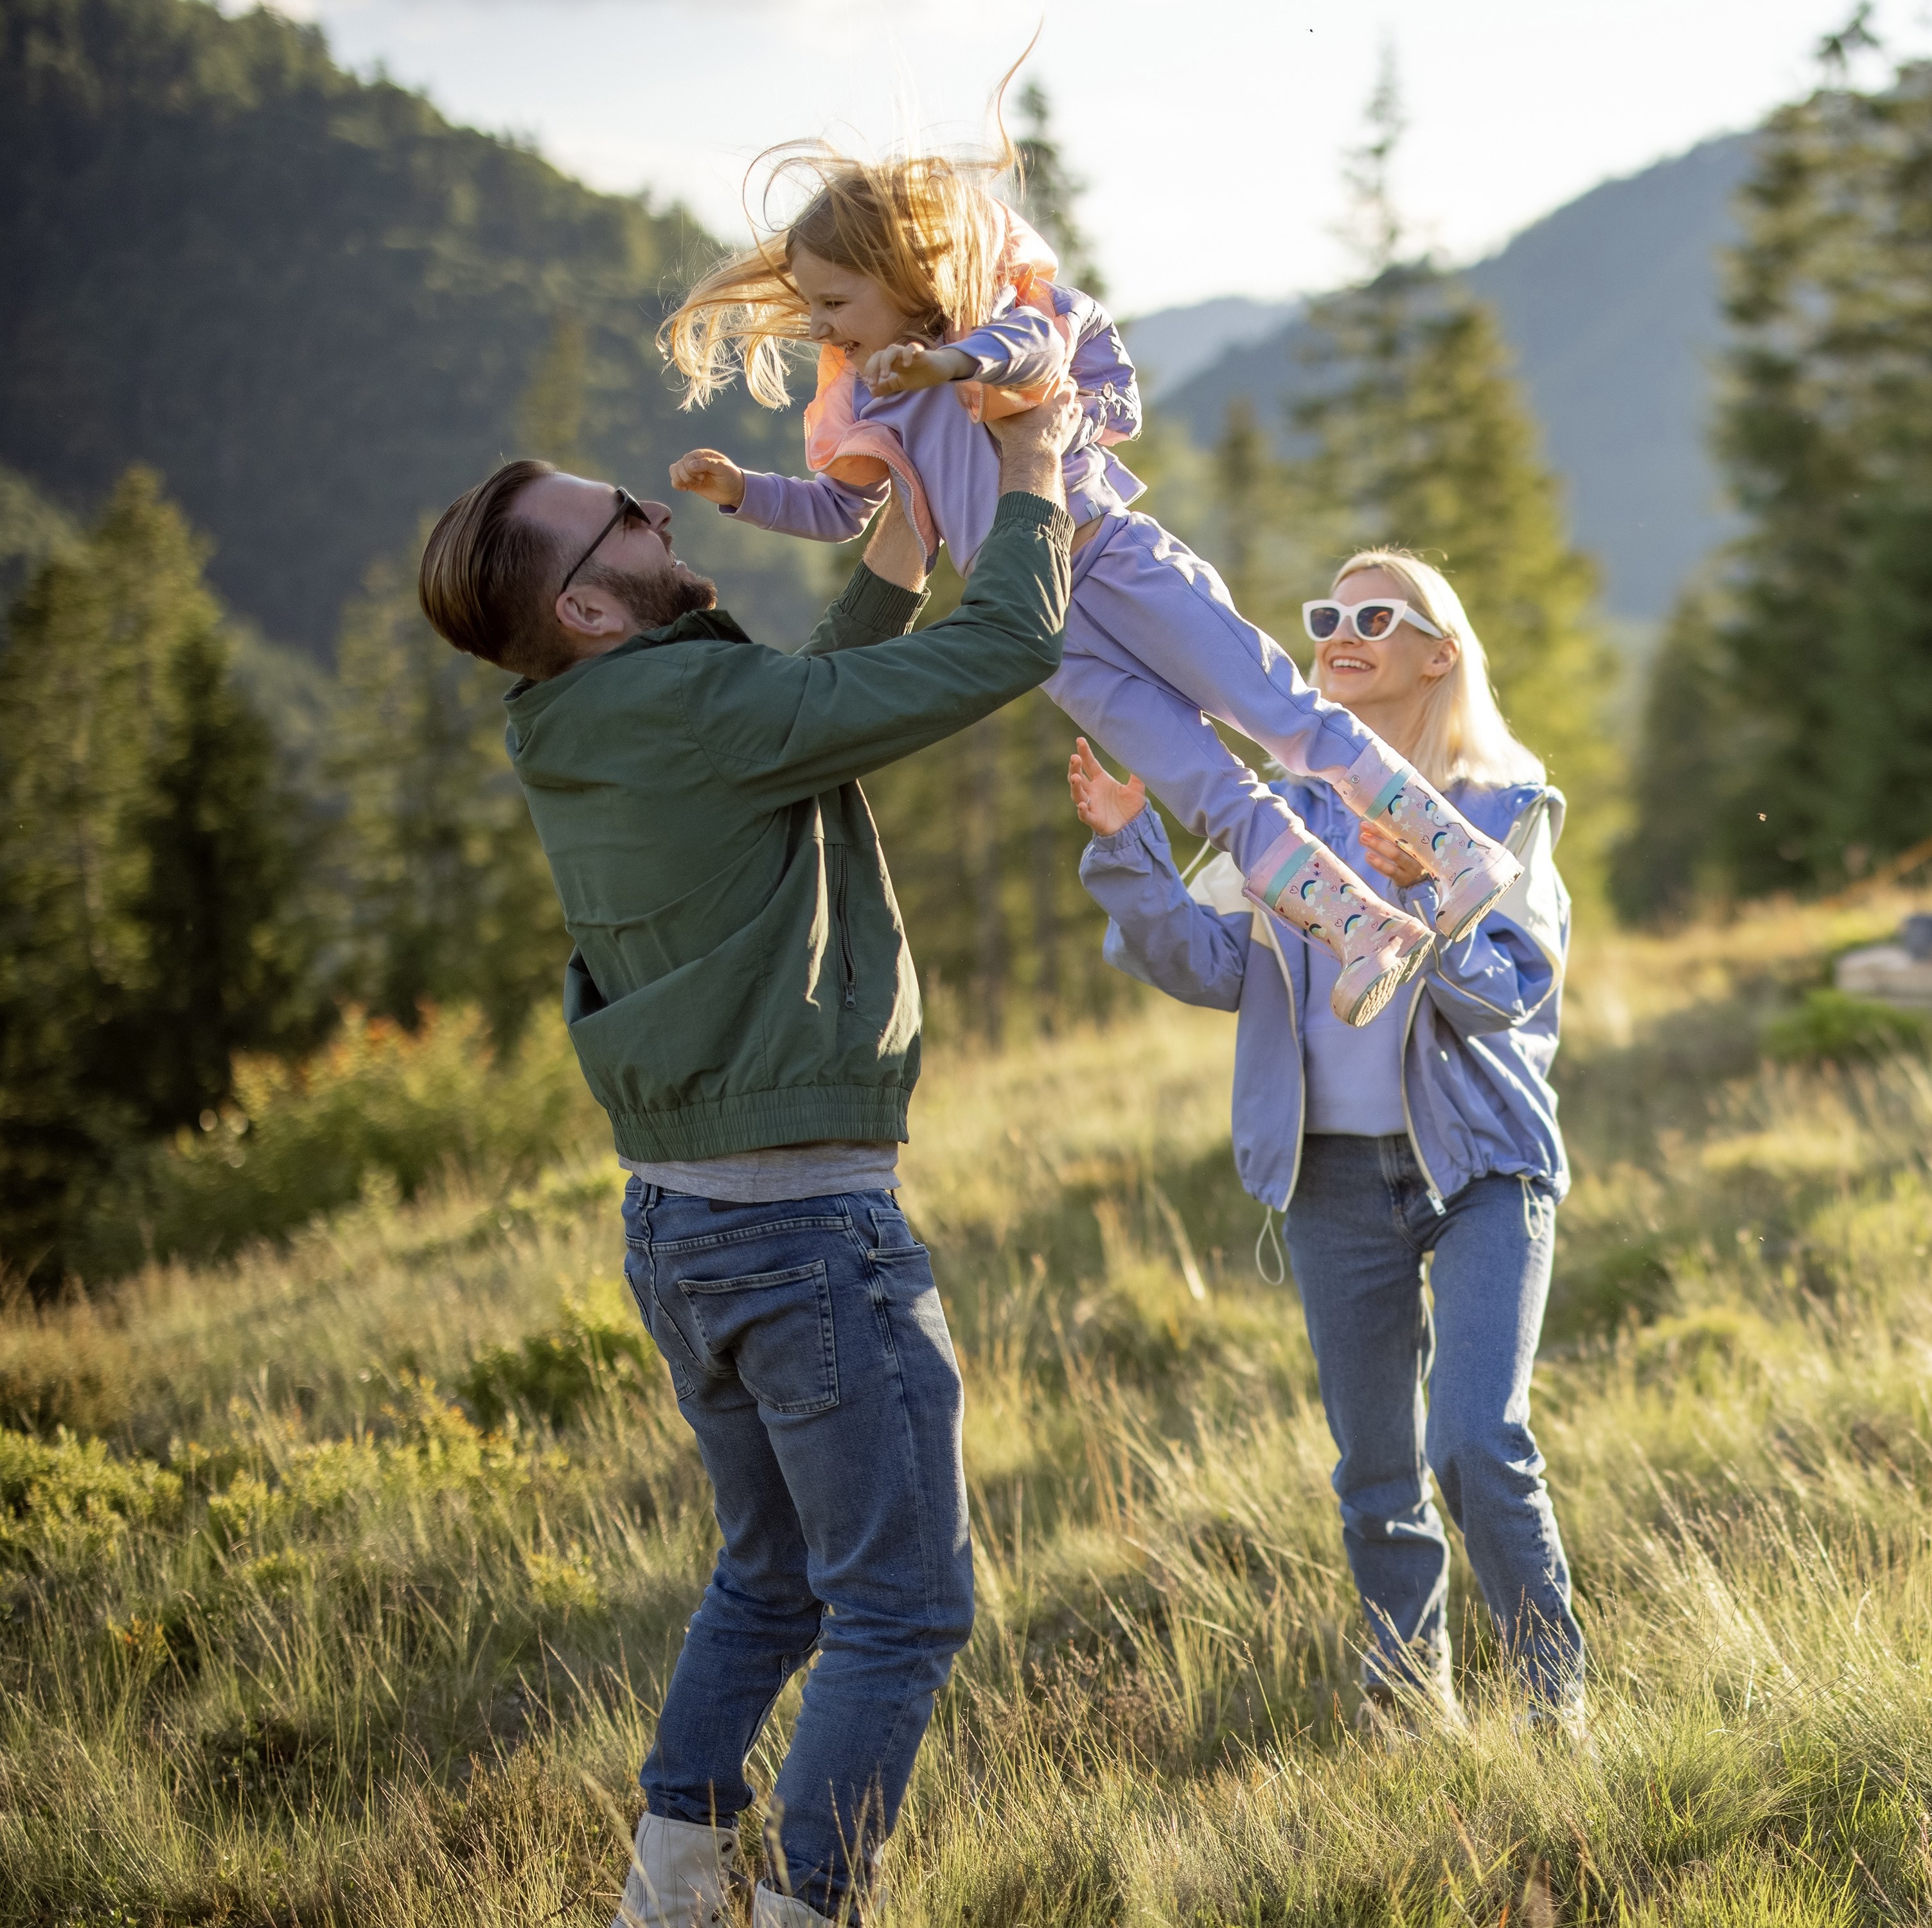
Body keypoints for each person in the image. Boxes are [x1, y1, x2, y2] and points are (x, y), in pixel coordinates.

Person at [416, 389, 1090, 1927]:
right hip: (805, 1237)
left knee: (774, 1573)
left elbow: (807, 708)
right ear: (586, 603)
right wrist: (1034, 478)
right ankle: (805, 1905)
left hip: (687, 1227)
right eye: (625, 523)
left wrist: (908, 527)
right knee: (906, 1607)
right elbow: (1002, 656)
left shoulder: (594, 721)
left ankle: (672, 1885)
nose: (660, 517)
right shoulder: (679, 710)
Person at [657, 137, 1517, 1028]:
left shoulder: (1006, 319)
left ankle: (1459, 853)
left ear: (907, 274)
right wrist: (740, 493)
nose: (826, 328)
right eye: (815, 310)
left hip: (1116, 563)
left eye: (837, 302)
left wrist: (947, 364)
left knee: (1283, 719)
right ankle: (1363, 929)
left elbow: (1029, 353)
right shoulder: (874, 402)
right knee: (1208, 793)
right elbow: (838, 510)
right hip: (1049, 631)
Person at [1070, 549, 1588, 1738]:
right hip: (1334, 1182)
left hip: (1481, 1169)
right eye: (1324, 616)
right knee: (1375, 1477)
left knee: (1476, 1441)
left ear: (1437, 655)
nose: (1337, 631)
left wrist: (1439, 902)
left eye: (1373, 616)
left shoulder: (1505, 810)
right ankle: (1411, 1717)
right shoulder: (1284, 815)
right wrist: (1129, 847)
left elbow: (1514, 992)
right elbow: (1206, 966)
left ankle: (1554, 1713)